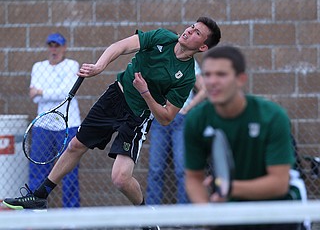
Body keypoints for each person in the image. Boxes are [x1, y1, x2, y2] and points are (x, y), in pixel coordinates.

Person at [3, 17, 221, 230]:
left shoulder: (187, 77)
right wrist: (99, 66)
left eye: (197, 33)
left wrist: (145, 93)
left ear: (202, 47)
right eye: (191, 27)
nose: (189, 31)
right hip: (115, 97)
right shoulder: (163, 37)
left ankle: (145, 215)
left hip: (137, 116)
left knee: (120, 179)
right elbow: (122, 46)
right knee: (76, 145)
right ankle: (40, 197)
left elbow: (166, 117)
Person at [184, 45, 303, 230]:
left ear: (241, 79)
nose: (212, 81)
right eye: (207, 75)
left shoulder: (272, 116)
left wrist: (228, 188)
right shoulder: (196, 120)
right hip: (230, 209)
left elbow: (279, 184)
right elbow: (193, 178)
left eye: (221, 75)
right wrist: (207, 214)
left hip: (278, 208)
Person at [27, 33, 81, 208]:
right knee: (37, 172)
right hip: (43, 126)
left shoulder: (71, 65)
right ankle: (34, 214)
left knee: (69, 174)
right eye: (50, 45)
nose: (54, 49)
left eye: (57, 46)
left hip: (68, 125)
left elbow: (67, 94)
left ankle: (71, 217)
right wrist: (50, 93)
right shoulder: (38, 67)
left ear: (64, 48)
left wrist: (42, 91)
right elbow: (33, 98)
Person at [146, 59, 206, 205]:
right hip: (159, 120)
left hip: (180, 119)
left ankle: (183, 215)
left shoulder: (190, 63)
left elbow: (205, 89)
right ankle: (151, 215)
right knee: (155, 169)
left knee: (182, 170)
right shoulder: (156, 58)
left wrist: (187, 108)